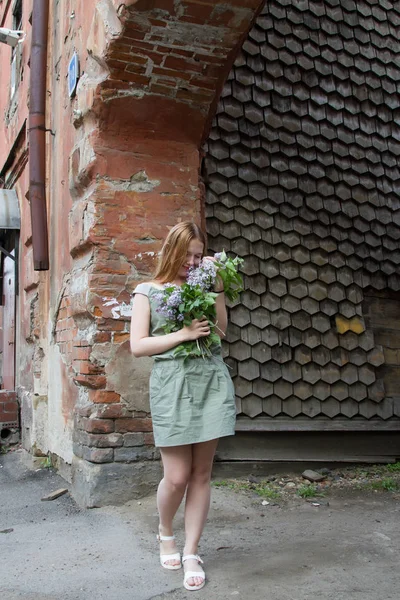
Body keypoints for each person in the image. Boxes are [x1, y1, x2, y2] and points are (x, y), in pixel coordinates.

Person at [130, 221, 236, 591]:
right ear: (170, 250)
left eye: (198, 255)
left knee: (202, 474)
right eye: (186, 254)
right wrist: (183, 334)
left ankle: (191, 550)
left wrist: (217, 287)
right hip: (172, 383)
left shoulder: (203, 288)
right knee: (176, 477)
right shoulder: (147, 291)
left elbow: (222, 332)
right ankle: (164, 531)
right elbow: (138, 346)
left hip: (210, 379)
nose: (192, 262)